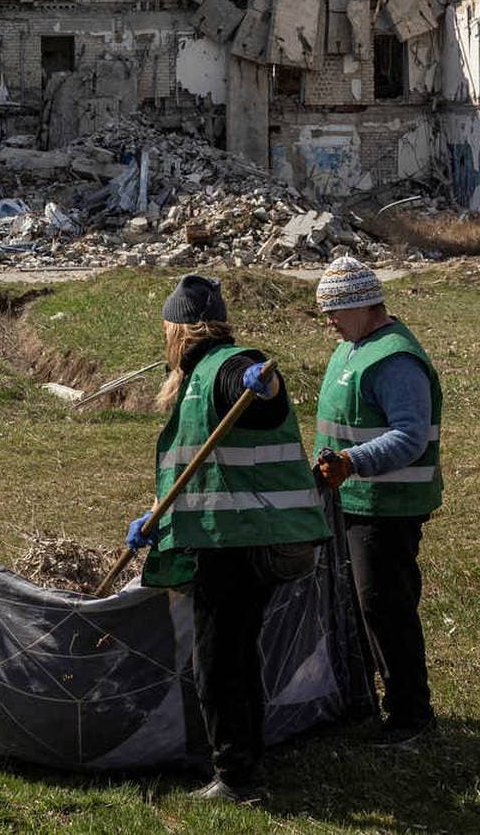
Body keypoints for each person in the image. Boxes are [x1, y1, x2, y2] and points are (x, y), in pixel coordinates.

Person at [125, 274, 328, 804]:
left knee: (216, 661)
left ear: (178, 329)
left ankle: (235, 777)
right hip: (244, 535)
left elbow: (254, 390)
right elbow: (197, 469)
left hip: (242, 543)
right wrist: (154, 519)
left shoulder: (224, 367)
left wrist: (263, 385)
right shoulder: (195, 377)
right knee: (235, 654)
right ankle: (248, 759)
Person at [311, 255, 443, 747]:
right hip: (354, 500)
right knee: (363, 605)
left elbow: (409, 436)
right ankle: (367, 698)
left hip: (389, 506)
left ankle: (412, 715)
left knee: (385, 607)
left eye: (335, 311)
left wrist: (351, 463)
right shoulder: (354, 346)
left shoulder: (395, 360)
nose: (328, 321)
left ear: (364, 305)